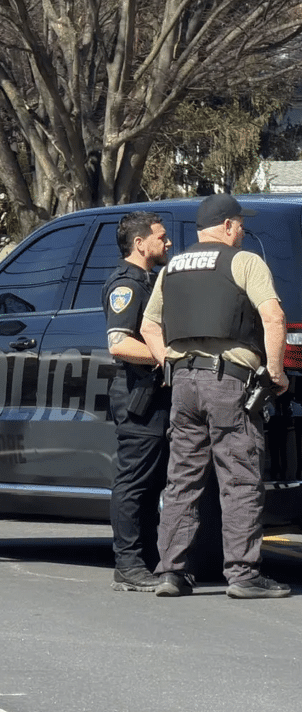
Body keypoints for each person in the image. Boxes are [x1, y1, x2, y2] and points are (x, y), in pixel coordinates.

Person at [140, 193, 291, 599]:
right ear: (226, 226)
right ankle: (243, 575)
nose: (242, 230)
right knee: (239, 479)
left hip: (184, 384)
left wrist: (169, 362)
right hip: (229, 383)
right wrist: (275, 373)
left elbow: (149, 326)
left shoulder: (171, 267)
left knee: (181, 481)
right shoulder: (244, 261)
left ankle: (172, 571)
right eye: (240, 224)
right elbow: (273, 316)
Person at [101, 211, 171, 592]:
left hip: (155, 394)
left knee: (152, 481)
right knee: (133, 481)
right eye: (161, 237)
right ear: (140, 243)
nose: (168, 243)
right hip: (137, 394)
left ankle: (146, 559)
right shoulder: (126, 284)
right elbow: (120, 342)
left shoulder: (151, 279)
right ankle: (127, 564)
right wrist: (166, 356)